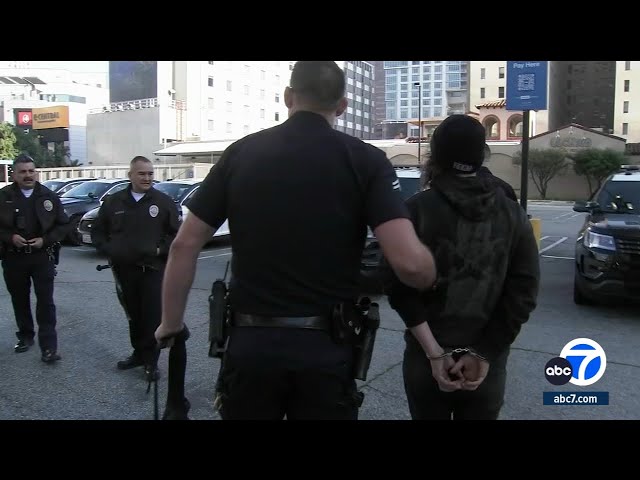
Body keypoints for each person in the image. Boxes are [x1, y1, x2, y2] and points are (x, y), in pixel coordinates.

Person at [155, 61, 437, 420]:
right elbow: (410, 265)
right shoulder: (366, 160)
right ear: (342, 106)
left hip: (250, 347)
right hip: (325, 351)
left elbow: (184, 244)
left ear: (288, 96)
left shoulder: (240, 154)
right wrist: (432, 271)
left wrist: (171, 323)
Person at [387, 114, 540, 420]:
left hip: (425, 355)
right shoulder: (512, 211)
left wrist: (434, 353)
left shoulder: (416, 209)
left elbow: (397, 286)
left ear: (436, 155)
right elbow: (523, 291)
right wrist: (484, 353)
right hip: (487, 357)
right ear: (482, 153)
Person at [91, 156, 180, 381]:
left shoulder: (163, 202)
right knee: (133, 315)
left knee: (151, 316)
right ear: (130, 175)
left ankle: (151, 361)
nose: (147, 178)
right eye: (142, 173)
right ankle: (139, 354)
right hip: (124, 270)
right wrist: (110, 249)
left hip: (152, 270)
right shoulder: (114, 202)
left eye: (150, 173)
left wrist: (160, 250)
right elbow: (98, 232)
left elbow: (176, 235)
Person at [0, 153, 69, 363]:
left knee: (45, 302)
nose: (28, 175)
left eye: (31, 171)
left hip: (42, 257)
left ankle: (48, 347)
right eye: (23, 172)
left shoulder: (48, 196)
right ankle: (25, 336)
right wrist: (10, 237)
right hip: (14, 257)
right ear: (14, 174)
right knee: (19, 300)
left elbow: (63, 225)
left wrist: (45, 240)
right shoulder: (3, 197)